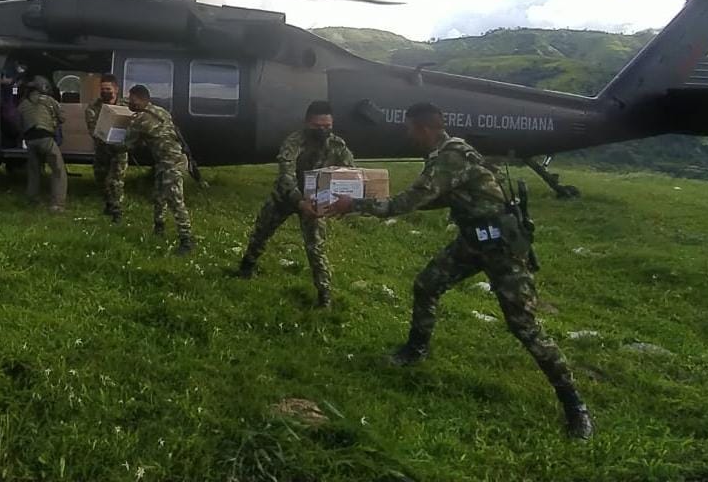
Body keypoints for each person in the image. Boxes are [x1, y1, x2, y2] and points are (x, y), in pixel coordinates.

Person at [323, 101, 593, 439]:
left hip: (501, 248)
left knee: (525, 327)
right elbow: (437, 197)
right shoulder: (451, 153)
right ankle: (415, 350)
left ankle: (575, 406)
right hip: (472, 241)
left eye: (410, 129)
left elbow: (407, 203)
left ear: (423, 128)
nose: (408, 136)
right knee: (427, 285)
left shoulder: (449, 157)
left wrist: (356, 204)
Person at [237, 100, 354, 308]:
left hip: (316, 199)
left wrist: (345, 199)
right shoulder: (294, 143)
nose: (323, 131)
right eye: (318, 127)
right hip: (286, 197)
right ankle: (247, 266)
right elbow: (286, 177)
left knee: (316, 248)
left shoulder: (338, 146)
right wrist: (300, 201)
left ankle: (324, 296)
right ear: (307, 123)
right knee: (262, 231)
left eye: (327, 127)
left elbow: (349, 174)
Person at [121, 85, 194, 255]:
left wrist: (108, 143)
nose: (130, 103)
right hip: (172, 159)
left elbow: (127, 144)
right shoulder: (161, 111)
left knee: (175, 200)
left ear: (140, 99)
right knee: (159, 195)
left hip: (170, 162)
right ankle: (159, 227)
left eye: (132, 100)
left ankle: (186, 240)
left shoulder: (140, 119)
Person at [18, 75, 67, 212]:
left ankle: (32, 200)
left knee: (33, 171)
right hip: (46, 139)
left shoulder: (23, 104)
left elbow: (19, 123)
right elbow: (62, 118)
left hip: (30, 141)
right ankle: (57, 204)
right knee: (58, 170)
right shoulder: (49, 101)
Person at [85, 74, 129, 223]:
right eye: (103, 89)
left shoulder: (126, 106)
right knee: (100, 177)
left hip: (119, 150)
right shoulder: (93, 107)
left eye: (108, 89)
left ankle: (117, 211)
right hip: (102, 149)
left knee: (115, 181)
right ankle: (109, 203)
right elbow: (93, 129)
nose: (105, 92)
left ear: (116, 89)